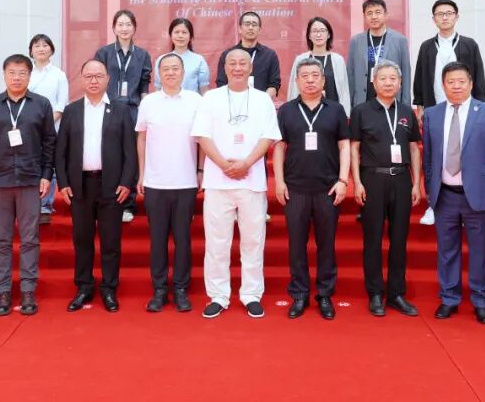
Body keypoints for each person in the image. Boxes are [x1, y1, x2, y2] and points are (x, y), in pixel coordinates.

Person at [193, 48, 281, 318]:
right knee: (217, 242)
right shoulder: (211, 98)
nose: (238, 67)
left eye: (243, 63)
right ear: (224, 68)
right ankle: (218, 295)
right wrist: (223, 164)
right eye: (232, 63)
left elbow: (268, 137)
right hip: (218, 182)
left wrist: (246, 163)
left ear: (251, 68)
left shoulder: (262, 100)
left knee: (253, 241)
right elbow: (202, 136)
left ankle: (251, 294)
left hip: (251, 181)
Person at [422, 62, 485, 325]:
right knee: (446, 250)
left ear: (470, 84)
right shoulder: (432, 114)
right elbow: (429, 156)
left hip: (479, 194)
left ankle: (481, 301)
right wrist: (430, 190)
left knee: (480, 251)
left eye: (461, 81)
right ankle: (449, 298)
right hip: (444, 195)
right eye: (451, 82)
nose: (456, 86)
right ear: (443, 85)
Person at [0, 54, 55, 317]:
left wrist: (46, 175)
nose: (17, 78)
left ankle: (28, 290)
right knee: (0, 240)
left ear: (30, 76)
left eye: (22, 73)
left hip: (30, 181)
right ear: (4, 75)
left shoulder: (41, 104)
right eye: (12, 73)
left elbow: (49, 142)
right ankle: (3, 291)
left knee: (30, 239)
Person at [55, 59, 137, 313]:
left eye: (98, 76)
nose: (93, 80)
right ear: (81, 79)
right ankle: (84, 287)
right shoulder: (71, 111)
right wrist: (63, 182)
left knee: (111, 242)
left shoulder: (121, 110)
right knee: (82, 240)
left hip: (112, 187)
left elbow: (130, 151)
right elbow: (61, 150)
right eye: (88, 76)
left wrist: (127, 182)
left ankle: (109, 288)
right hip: (80, 186)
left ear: (107, 79)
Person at [273, 59, 350, 320]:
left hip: (328, 188)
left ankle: (325, 294)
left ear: (323, 80)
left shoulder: (335, 109)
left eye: (315, 75)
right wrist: (279, 181)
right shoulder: (286, 111)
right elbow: (279, 147)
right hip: (295, 188)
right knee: (297, 245)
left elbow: (344, 146)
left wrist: (343, 180)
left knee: (326, 244)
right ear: (296, 81)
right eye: (304, 75)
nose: (310, 80)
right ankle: (299, 294)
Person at [349, 61, 422, 317]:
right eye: (383, 78)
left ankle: (396, 294)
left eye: (393, 78)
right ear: (374, 82)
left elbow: (414, 148)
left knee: (399, 239)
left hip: (401, 179)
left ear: (400, 83)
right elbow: (354, 148)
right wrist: (357, 182)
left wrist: (416, 182)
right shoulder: (361, 111)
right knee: (373, 239)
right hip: (373, 179)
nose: (388, 83)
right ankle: (375, 293)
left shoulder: (406, 111)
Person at [413, 0, 485, 226]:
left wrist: (479, 106)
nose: (444, 17)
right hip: (436, 111)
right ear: (433, 19)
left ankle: (467, 204)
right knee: (433, 156)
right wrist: (420, 105)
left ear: (457, 16)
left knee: (465, 154)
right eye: (440, 14)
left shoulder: (469, 44)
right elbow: (419, 76)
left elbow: (478, 76)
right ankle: (433, 204)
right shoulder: (427, 46)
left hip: (465, 109)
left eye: (449, 13)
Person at [137, 53, 201, 312]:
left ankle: (181, 289)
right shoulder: (149, 102)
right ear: (158, 74)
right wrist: (141, 174)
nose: (171, 73)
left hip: (186, 181)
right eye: (166, 69)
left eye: (175, 68)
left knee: (183, 239)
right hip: (155, 182)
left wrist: (200, 170)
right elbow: (141, 138)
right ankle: (160, 290)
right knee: (158, 239)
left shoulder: (195, 101)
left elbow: (202, 139)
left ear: (183, 73)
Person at [95, 9, 152, 223]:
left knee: (131, 157)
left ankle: (128, 204)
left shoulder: (142, 55)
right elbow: (98, 81)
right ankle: (107, 203)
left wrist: (145, 110)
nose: (124, 28)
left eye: (128, 24)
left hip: (133, 110)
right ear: (114, 28)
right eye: (120, 24)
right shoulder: (104, 53)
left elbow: (144, 85)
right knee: (109, 155)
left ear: (134, 28)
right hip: (109, 110)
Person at [28, 33, 69, 225]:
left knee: (48, 165)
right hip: (27, 128)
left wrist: (45, 125)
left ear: (52, 49)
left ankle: (45, 205)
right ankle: (29, 203)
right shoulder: (27, 73)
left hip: (52, 127)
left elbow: (61, 104)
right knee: (30, 164)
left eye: (45, 45)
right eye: (37, 45)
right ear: (31, 51)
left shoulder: (59, 75)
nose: (41, 49)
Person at [285, 16, 351, 115]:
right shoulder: (300, 59)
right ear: (309, 35)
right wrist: (292, 114)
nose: (318, 34)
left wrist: (345, 114)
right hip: (305, 113)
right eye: (315, 31)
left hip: (333, 114)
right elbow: (294, 89)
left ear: (329, 35)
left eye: (322, 31)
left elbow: (344, 91)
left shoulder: (338, 60)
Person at [214, 10, 282, 98]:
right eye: (247, 24)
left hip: (260, 103)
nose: (250, 27)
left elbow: (274, 84)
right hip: (234, 102)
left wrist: (262, 101)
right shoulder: (228, 55)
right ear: (239, 29)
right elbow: (221, 83)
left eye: (254, 24)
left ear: (259, 30)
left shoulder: (269, 55)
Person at [153, 17, 210, 94]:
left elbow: (204, 90)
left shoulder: (199, 60)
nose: (180, 35)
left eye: (184, 32)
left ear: (190, 36)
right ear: (170, 35)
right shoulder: (162, 59)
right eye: (177, 32)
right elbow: (158, 88)